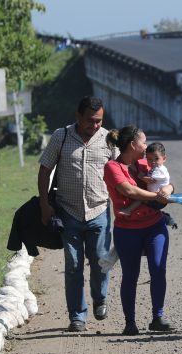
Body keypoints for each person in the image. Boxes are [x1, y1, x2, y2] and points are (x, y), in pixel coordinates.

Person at [38, 96, 117, 332]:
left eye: (99, 121)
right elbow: (44, 171)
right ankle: (77, 316)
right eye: (91, 121)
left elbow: (121, 173)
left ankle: (100, 297)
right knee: (73, 264)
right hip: (68, 211)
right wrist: (45, 205)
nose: (95, 126)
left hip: (99, 210)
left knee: (102, 259)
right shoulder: (61, 136)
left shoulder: (109, 141)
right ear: (78, 117)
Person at [104, 126, 175, 335]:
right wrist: (158, 197)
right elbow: (128, 190)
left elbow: (167, 182)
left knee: (158, 268)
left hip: (154, 226)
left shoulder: (148, 163)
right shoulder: (112, 167)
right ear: (133, 145)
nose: (146, 146)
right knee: (130, 276)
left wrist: (168, 190)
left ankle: (157, 318)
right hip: (127, 230)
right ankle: (130, 322)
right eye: (143, 142)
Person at [118, 141, 171, 215]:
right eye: (149, 159)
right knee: (142, 197)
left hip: (158, 200)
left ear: (164, 158)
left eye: (156, 159)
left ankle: (128, 210)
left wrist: (141, 176)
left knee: (140, 198)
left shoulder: (160, 170)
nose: (153, 162)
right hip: (156, 196)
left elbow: (151, 180)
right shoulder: (155, 168)